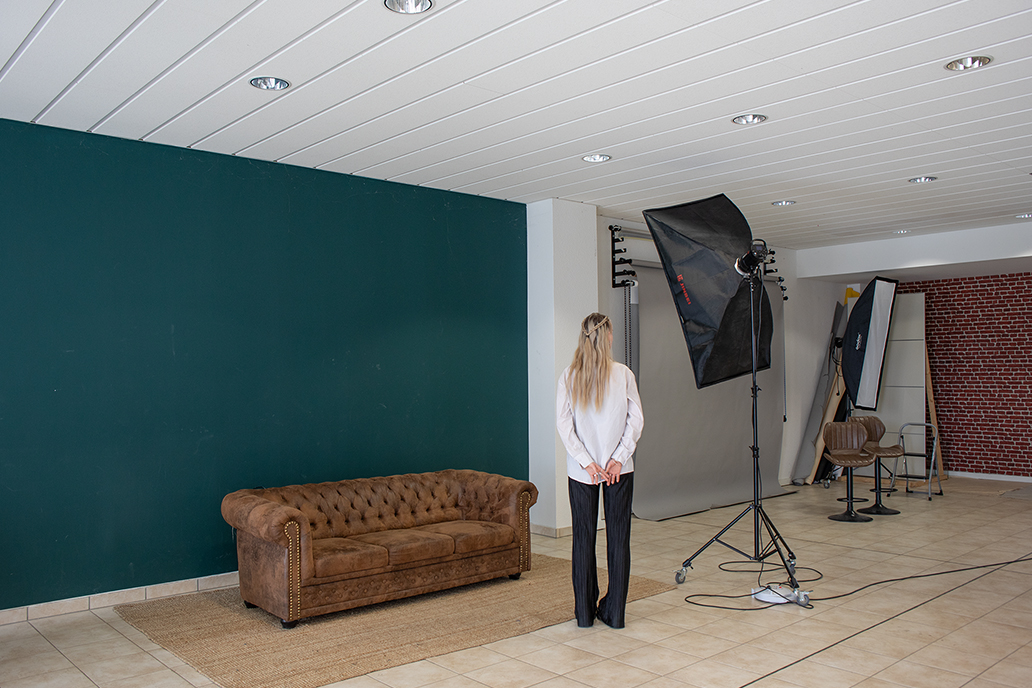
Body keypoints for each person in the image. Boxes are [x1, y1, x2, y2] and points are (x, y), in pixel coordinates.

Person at [556, 312, 644, 628]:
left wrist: (586, 461)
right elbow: (636, 420)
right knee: (619, 539)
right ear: (607, 336)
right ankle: (615, 614)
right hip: (619, 470)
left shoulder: (569, 376)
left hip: (583, 472)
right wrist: (618, 457)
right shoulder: (624, 374)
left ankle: (584, 614)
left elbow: (564, 425)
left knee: (583, 538)